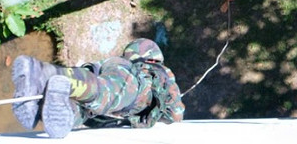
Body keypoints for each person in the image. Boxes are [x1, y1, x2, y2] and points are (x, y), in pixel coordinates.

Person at [11, 38, 185, 138]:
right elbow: (176, 114)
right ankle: (42, 73)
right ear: (154, 57)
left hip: (107, 101)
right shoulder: (159, 72)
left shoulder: (123, 66)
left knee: (83, 108)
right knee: (104, 94)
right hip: (130, 91)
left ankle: (39, 109)